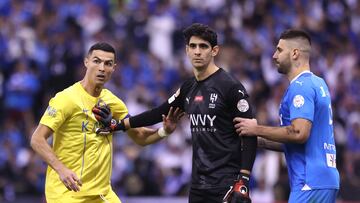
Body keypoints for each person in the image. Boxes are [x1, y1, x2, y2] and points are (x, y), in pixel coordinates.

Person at [93, 23, 257, 203]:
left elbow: (249, 134)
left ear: (214, 51)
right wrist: (117, 125)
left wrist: (244, 179)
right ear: (186, 50)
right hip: (197, 185)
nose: (197, 51)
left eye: (203, 46)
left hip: (226, 184)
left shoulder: (231, 87)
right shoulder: (189, 87)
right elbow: (159, 112)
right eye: (193, 46)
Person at [30, 42, 183, 203]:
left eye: (108, 63)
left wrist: (164, 131)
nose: (102, 68)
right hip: (68, 192)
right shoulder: (66, 99)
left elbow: (139, 136)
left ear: (114, 68)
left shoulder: (113, 102)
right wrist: (61, 169)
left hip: (102, 194)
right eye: (97, 61)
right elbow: (37, 139)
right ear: (86, 62)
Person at [234, 29, 340, 202]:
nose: (274, 56)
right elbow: (301, 141)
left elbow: (299, 133)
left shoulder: (300, 87)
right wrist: (258, 140)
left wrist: (256, 128)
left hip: (308, 183)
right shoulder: (318, 83)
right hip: (325, 179)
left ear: (295, 53)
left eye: (279, 50)